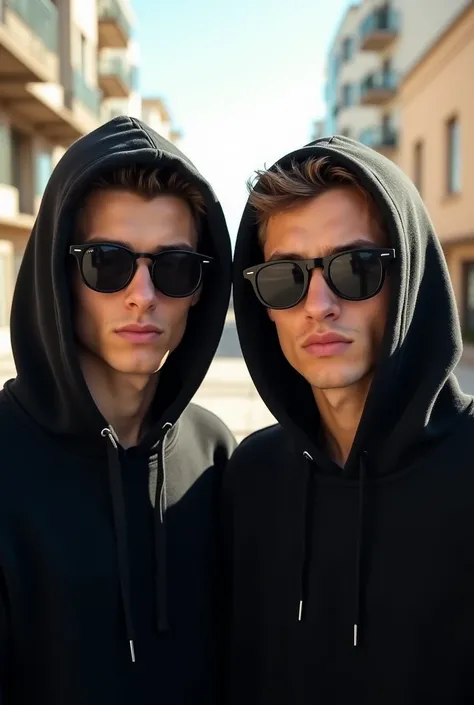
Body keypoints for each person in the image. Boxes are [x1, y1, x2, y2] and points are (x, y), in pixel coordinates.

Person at [224, 136, 474, 704]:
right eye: (285, 277)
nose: (318, 304)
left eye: (355, 268)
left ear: (408, 277)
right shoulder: (251, 478)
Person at [0, 116, 235, 705]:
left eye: (174, 267)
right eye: (107, 262)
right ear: (61, 275)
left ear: (202, 288)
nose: (143, 294)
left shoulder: (218, 456)